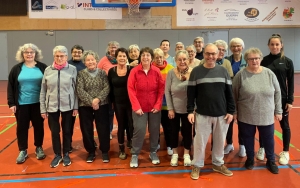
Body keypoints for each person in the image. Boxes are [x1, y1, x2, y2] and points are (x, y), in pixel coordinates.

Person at [188, 43, 235, 180]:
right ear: (204, 54)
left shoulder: (223, 71)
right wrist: (190, 110)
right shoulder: (196, 71)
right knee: (199, 142)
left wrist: (231, 111)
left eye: (213, 54)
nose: (210, 56)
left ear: (218, 55)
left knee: (220, 141)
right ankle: (197, 164)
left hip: (222, 114)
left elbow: (229, 94)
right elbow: (191, 94)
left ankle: (218, 164)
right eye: (208, 54)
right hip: (202, 114)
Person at [232, 47, 282, 174]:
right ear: (247, 60)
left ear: (261, 59)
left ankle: (271, 160)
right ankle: (250, 158)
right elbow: (234, 95)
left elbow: (277, 93)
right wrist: (235, 112)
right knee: (248, 138)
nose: (254, 61)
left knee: (268, 139)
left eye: (257, 58)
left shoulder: (269, 73)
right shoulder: (240, 75)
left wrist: (278, 110)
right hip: (246, 114)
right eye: (251, 59)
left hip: (266, 114)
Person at [7, 43, 47, 164]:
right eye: (26, 52)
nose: (29, 54)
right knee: (21, 128)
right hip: (21, 104)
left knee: (39, 127)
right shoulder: (16, 69)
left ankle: (39, 147)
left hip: (38, 104)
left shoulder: (42, 67)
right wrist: (11, 103)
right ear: (22, 54)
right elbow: (11, 86)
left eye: (31, 52)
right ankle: (23, 150)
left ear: (36, 54)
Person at [258, 34, 294, 165]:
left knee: (284, 125)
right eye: (272, 44)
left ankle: (285, 151)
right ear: (268, 45)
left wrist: (290, 100)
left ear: (281, 45)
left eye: (277, 44)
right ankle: (262, 148)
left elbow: (290, 81)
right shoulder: (263, 61)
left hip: (282, 99)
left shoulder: (287, 61)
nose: (274, 46)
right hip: (265, 98)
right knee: (263, 124)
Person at [40, 45, 78, 168]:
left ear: (66, 56)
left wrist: (75, 107)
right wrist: (43, 109)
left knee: (67, 131)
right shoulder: (47, 70)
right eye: (57, 56)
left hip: (68, 106)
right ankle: (57, 154)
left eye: (62, 56)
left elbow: (76, 89)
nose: (59, 58)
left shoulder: (72, 69)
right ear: (54, 56)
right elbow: (43, 91)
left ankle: (66, 153)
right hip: (51, 107)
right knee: (55, 132)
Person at [127, 47, 165, 168]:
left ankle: (153, 152)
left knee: (154, 131)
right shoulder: (134, 71)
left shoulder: (156, 71)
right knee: (139, 130)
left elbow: (161, 89)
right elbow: (130, 89)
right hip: (139, 108)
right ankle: (135, 154)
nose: (145, 57)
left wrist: (158, 104)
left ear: (151, 58)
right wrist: (136, 106)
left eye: (148, 55)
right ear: (140, 57)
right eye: (143, 55)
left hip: (154, 108)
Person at [76, 50, 110, 163]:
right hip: (85, 106)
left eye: (92, 59)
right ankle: (91, 152)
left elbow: (107, 87)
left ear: (96, 61)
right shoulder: (80, 74)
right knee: (86, 129)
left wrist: (98, 100)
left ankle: (105, 151)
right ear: (84, 62)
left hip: (102, 105)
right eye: (88, 60)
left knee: (103, 129)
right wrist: (91, 101)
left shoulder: (102, 73)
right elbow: (79, 90)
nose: (90, 62)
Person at [165, 50, 193, 166]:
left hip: (188, 110)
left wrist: (193, 110)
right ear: (175, 61)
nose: (182, 62)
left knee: (187, 132)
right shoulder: (171, 73)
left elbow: (196, 92)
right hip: (174, 110)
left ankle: (186, 154)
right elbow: (167, 91)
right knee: (173, 132)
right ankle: (175, 154)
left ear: (188, 60)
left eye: (184, 59)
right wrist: (170, 108)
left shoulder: (193, 72)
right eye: (179, 60)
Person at [108, 47, 133, 160]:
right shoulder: (111, 71)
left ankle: (131, 144)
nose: (122, 58)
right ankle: (121, 148)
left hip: (131, 103)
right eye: (120, 56)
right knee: (121, 125)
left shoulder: (132, 69)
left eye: (124, 56)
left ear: (127, 57)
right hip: (118, 103)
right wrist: (111, 103)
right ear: (116, 57)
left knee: (131, 124)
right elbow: (109, 88)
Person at [224, 37, 247, 157]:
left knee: (242, 122)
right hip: (229, 95)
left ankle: (242, 145)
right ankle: (229, 143)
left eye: (238, 46)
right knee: (229, 120)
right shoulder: (226, 60)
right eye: (233, 46)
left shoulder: (247, 60)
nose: (236, 48)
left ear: (242, 47)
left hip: (243, 96)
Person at [152, 48, 174, 156]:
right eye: (156, 57)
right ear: (153, 58)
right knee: (155, 126)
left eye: (160, 57)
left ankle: (169, 145)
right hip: (154, 104)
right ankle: (155, 144)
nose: (159, 59)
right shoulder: (150, 69)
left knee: (168, 126)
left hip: (166, 104)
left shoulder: (171, 69)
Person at [97, 41, 120, 140]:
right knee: (109, 113)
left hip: (120, 90)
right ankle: (109, 131)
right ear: (108, 48)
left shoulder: (122, 58)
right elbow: (98, 73)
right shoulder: (103, 60)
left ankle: (122, 130)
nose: (113, 49)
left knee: (120, 112)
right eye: (111, 47)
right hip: (107, 91)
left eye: (115, 47)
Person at [67, 44, 85, 152]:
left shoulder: (85, 65)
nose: (77, 54)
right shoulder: (67, 65)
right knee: (69, 124)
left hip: (83, 99)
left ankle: (89, 141)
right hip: (70, 100)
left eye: (79, 52)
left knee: (85, 123)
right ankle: (68, 144)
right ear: (71, 53)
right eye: (75, 52)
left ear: (82, 53)